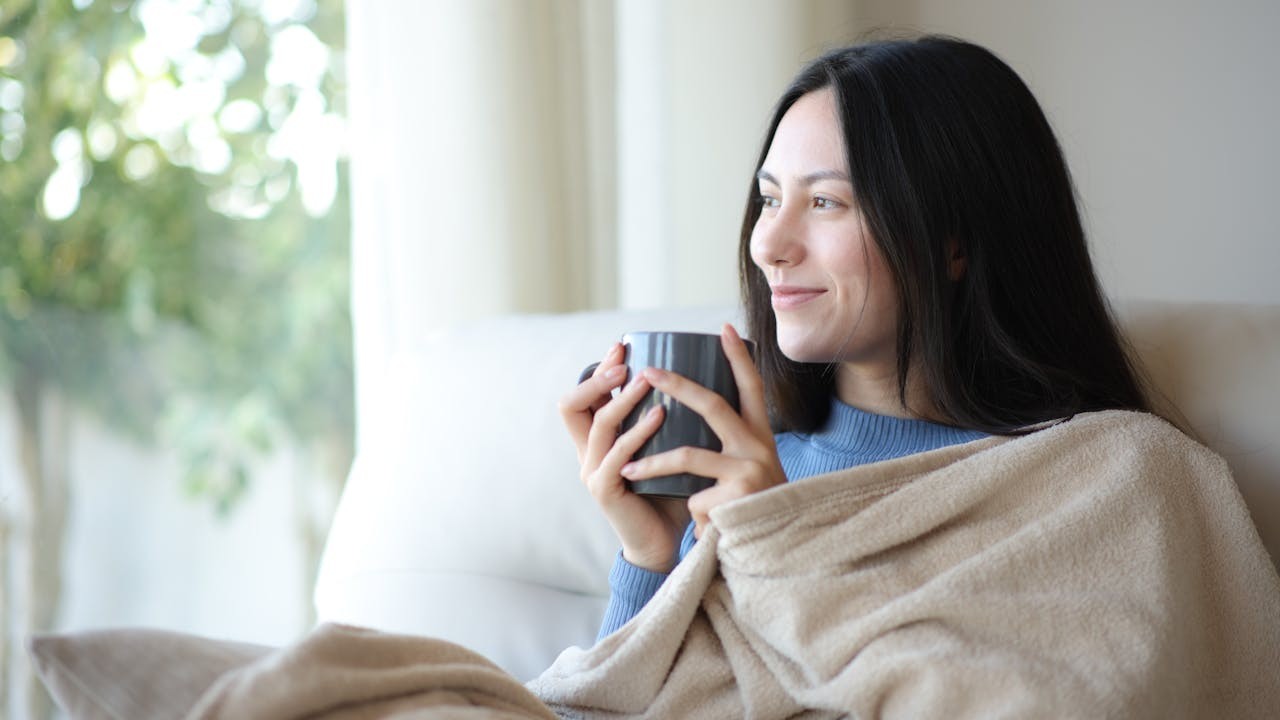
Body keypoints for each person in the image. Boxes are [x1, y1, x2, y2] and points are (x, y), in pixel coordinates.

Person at [558, 35, 1156, 642]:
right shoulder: (737, 475)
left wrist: (784, 548)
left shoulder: (1100, 483)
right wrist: (652, 559)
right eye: (769, 198)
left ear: (954, 244)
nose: (766, 245)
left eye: (824, 201)